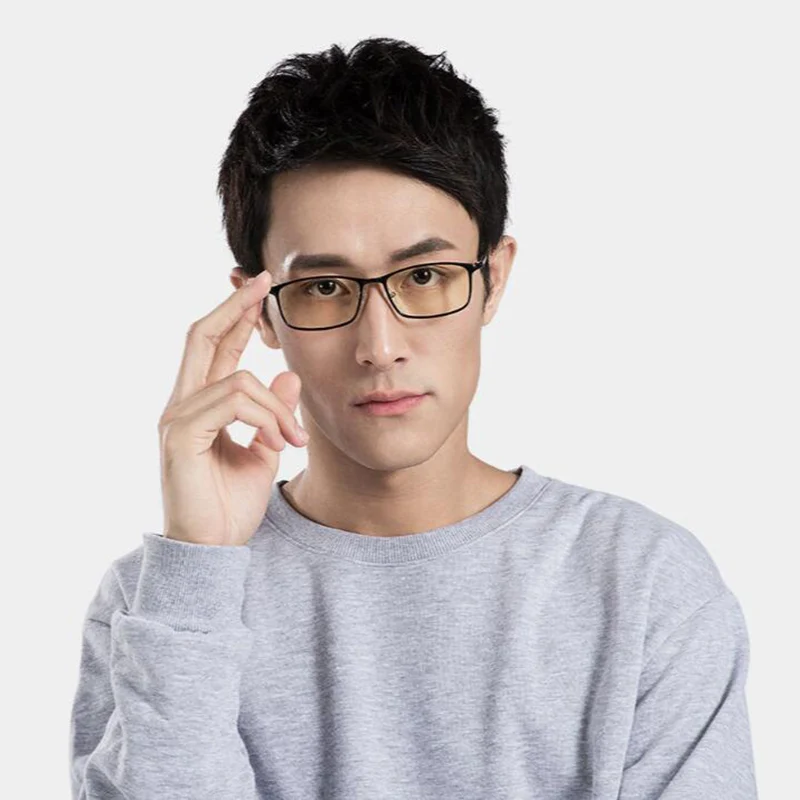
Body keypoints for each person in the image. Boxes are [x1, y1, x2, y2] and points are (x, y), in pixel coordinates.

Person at [68, 36, 758, 799]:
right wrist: (197, 571)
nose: (380, 345)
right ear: (257, 309)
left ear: (494, 278)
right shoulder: (157, 606)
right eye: (324, 287)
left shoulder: (644, 581)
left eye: (425, 275)